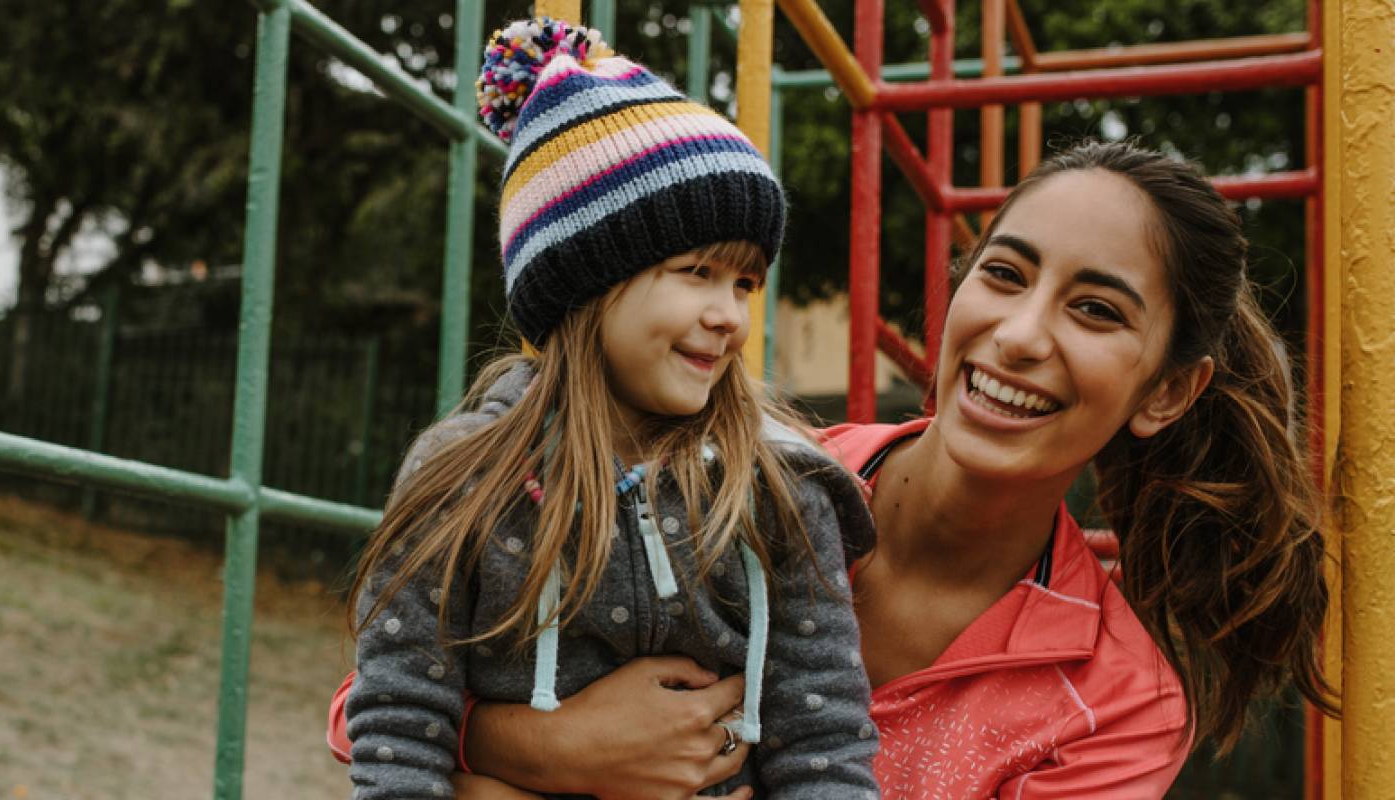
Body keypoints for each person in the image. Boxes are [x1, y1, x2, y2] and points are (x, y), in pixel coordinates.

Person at [332, 139, 1338, 799]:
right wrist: (555, 745)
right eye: (1006, 272)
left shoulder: (1114, 706)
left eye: (1097, 309)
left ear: (1167, 391)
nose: (1021, 333)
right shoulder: (743, 479)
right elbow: (371, 703)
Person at [341, 17, 883, 800]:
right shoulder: (467, 477)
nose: (732, 315)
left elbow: (824, 736)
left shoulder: (780, 485)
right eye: (696, 271)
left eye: (745, 283)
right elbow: (398, 720)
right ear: (585, 285)